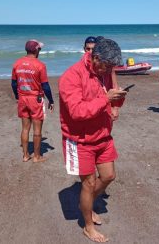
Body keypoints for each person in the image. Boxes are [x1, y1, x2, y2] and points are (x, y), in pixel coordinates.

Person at [59, 38, 127, 243]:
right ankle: (88, 226)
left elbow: (110, 101)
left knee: (108, 176)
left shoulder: (105, 72)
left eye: (111, 68)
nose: (108, 71)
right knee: (88, 184)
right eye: (107, 66)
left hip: (103, 135)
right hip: (79, 140)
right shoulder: (71, 76)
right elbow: (77, 112)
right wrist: (106, 99)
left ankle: (85, 203)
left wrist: (118, 97)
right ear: (95, 58)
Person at [11, 39, 55, 163]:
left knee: (25, 128)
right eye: (39, 49)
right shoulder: (40, 65)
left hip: (22, 98)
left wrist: (17, 96)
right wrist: (51, 100)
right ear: (36, 50)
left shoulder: (17, 63)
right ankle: (36, 156)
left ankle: (25, 155)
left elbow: (14, 84)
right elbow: (45, 86)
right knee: (37, 130)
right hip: (35, 99)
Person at [84, 36, 120, 121]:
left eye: (92, 49)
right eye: (87, 49)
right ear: (84, 49)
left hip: (105, 106)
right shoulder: (82, 67)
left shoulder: (106, 66)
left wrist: (115, 108)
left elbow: (114, 87)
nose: (90, 52)